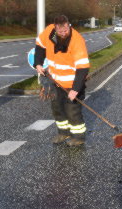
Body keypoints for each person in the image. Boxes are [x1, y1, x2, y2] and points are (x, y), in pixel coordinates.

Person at [34, 15, 90, 147]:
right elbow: (40, 46)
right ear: (55, 28)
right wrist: (38, 63)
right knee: (57, 108)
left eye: (66, 30)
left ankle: (78, 137)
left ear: (68, 25)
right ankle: (63, 132)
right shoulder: (49, 32)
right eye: (61, 31)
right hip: (55, 81)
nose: (64, 33)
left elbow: (83, 68)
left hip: (73, 83)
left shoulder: (77, 40)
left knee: (72, 110)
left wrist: (75, 90)